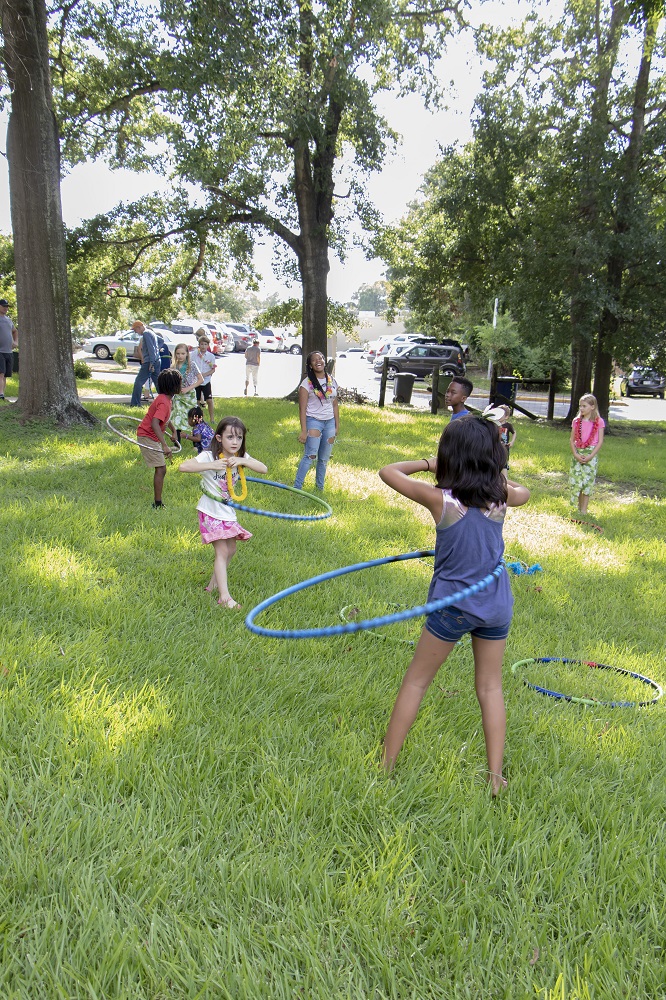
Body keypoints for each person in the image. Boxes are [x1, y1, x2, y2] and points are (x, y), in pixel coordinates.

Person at [379, 415, 530, 795]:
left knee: (416, 682)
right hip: (496, 605)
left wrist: (431, 464)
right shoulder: (502, 497)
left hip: (452, 608)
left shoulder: (440, 499)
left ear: (450, 456)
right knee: (491, 688)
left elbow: (388, 471)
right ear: (492, 458)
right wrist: (497, 471)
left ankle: (386, 766)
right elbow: (523, 491)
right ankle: (496, 778)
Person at [179, 416, 268, 609]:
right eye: (230, 437)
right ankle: (224, 598)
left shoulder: (240, 458)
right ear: (219, 438)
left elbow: (264, 469)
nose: (235, 442)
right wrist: (211, 465)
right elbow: (183, 466)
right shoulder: (209, 455)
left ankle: (211, 586)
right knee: (222, 551)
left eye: (239, 438)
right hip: (210, 511)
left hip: (227, 512)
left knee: (232, 550)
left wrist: (243, 461)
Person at [293, 351, 340, 491]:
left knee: (324, 459)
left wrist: (337, 425)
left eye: (321, 358)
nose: (318, 361)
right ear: (310, 365)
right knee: (310, 455)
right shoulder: (306, 384)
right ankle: (297, 487)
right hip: (313, 421)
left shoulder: (332, 380)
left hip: (329, 423)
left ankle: (319, 488)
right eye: (314, 360)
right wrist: (303, 430)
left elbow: (335, 404)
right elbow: (302, 408)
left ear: (325, 361)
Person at [136, 368, 182, 508]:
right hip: (147, 436)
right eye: (179, 383)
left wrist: (173, 431)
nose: (181, 386)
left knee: (162, 468)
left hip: (151, 436)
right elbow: (155, 423)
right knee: (161, 469)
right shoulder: (163, 402)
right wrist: (165, 445)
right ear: (173, 387)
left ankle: (158, 502)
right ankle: (157, 503)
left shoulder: (167, 399)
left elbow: (165, 420)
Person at [569, 393, 605, 514]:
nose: (581, 408)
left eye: (584, 406)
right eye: (580, 406)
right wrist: (575, 454)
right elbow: (571, 439)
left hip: (591, 453)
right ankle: (579, 508)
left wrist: (591, 455)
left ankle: (584, 509)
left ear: (592, 407)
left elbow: (600, 441)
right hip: (578, 452)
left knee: (587, 482)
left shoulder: (599, 422)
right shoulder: (576, 421)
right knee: (578, 481)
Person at [170, 343, 204, 443]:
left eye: (182, 353)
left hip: (189, 395)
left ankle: (195, 443)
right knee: (177, 417)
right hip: (178, 395)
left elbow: (200, 379)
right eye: (178, 354)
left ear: (187, 354)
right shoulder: (174, 366)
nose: (180, 356)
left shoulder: (192, 365)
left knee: (192, 418)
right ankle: (177, 443)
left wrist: (189, 388)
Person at [130, 321, 162, 407]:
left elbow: (151, 348)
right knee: (158, 383)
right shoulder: (151, 332)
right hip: (157, 360)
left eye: (135, 330)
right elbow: (161, 341)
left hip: (149, 361)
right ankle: (166, 400)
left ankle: (135, 403)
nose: (135, 332)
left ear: (139, 327)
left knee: (138, 382)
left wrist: (151, 362)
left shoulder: (146, 333)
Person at [194, 330, 217, 422]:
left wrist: (205, 374)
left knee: (209, 400)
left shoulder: (211, 356)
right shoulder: (194, 355)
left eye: (205, 344)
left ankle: (212, 419)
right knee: (197, 401)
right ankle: (198, 419)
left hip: (206, 381)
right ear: (199, 345)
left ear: (208, 345)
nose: (203, 346)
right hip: (196, 381)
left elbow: (213, 369)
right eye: (202, 344)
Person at [0, 298, 19, 401]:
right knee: (1, 373)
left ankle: (2, 394)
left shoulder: (8, 320)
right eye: (4, 306)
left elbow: (15, 331)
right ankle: (1, 394)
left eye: (7, 306)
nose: (6, 308)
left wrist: (16, 342)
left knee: (5, 375)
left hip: (9, 351)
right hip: (0, 352)